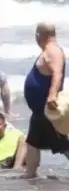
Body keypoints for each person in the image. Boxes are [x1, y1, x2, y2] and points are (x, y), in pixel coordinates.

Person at [23, 22, 69, 178]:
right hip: (39, 110)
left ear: (38, 35)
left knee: (62, 144)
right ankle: (30, 174)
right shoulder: (49, 50)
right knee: (32, 142)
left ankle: (30, 174)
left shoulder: (53, 51)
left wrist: (52, 95)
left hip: (47, 108)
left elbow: (57, 73)